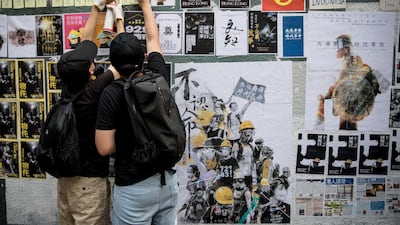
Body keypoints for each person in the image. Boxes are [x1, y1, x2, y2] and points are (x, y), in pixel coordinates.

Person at [95, 1, 178, 224]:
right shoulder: (158, 76)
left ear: (112, 64)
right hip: (167, 183)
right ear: (143, 56)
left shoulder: (111, 93)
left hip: (134, 188)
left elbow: (104, 148)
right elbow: (153, 39)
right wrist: (145, 5)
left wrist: (126, 135)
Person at [55, 0, 123, 224]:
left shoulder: (68, 86)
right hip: (89, 183)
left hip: (66, 180)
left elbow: (85, 40)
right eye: (90, 62)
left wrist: (97, 7)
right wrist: (119, 18)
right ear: (90, 69)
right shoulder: (93, 91)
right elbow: (122, 62)